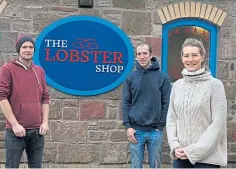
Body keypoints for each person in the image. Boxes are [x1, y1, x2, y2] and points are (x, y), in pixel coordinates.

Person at [166, 38, 227, 168]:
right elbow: (172, 119)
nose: (190, 59)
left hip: (207, 158)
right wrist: (175, 146)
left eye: (194, 55)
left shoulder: (214, 85)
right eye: (186, 55)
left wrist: (194, 151)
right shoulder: (177, 85)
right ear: (182, 58)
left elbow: (218, 124)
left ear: (202, 57)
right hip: (181, 156)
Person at [0, 35, 50, 168]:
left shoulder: (39, 71)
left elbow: (45, 97)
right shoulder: (8, 69)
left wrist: (45, 122)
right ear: (19, 50)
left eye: (31, 47)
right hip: (16, 131)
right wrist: (15, 124)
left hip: (37, 131)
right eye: (24, 47)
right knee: (11, 166)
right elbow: (2, 97)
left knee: (36, 166)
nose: (28, 50)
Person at [122, 42, 172, 168]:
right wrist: (128, 127)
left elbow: (166, 103)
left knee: (155, 165)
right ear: (136, 56)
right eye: (139, 54)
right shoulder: (131, 77)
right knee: (136, 165)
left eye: (145, 53)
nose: (142, 56)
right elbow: (125, 103)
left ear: (151, 55)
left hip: (155, 131)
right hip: (136, 130)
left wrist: (160, 126)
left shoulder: (163, 77)